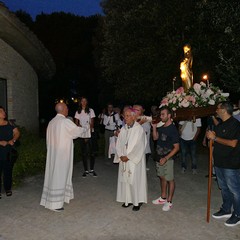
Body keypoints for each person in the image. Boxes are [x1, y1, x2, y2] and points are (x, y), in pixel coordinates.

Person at [40, 102, 88, 212]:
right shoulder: (64, 121)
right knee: (59, 176)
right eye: (66, 108)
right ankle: (55, 204)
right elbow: (77, 131)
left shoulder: (52, 122)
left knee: (56, 175)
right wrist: (85, 127)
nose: (68, 109)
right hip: (62, 154)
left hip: (54, 154)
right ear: (62, 110)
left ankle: (63, 196)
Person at [206, 101, 240, 227]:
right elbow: (217, 142)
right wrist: (211, 138)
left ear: (224, 110)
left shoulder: (235, 124)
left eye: (218, 108)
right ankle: (226, 209)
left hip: (231, 163)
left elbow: (233, 143)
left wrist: (215, 138)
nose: (216, 110)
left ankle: (238, 214)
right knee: (224, 188)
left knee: (235, 190)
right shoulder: (220, 125)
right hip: (219, 163)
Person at [114, 108, 147, 211]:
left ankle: (137, 202)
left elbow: (140, 146)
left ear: (133, 117)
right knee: (125, 180)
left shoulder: (139, 129)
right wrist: (120, 155)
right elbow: (119, 143)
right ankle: (127, 200)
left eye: (127, 116)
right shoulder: (124, 129)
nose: (125, 118)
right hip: (124, 159)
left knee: (135, 180)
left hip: (134, 160)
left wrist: (129, 157)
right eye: (124, 116)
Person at [152, 106, 179, 211]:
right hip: (159, 156)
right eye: (160, 114)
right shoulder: (161, 127)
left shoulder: (173, 129)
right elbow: (155, 138)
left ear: (169, 115)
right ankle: (163, 198)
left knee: (169, 179)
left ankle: (169, 201)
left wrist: (166, 158)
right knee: (162, 177)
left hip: (168, 158)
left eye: (163, 114)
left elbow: (177, 148)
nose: (161, 116)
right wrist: (154, 127)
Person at [0, 106, 20, 198]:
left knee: (8, 170)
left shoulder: (10, 123)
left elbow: (17, 133)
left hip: (8, 151)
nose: (4, 112)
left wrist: (13, 139)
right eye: (1, 111)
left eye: (4, 111)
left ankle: (8, 188)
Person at [74, 97, 97, 177]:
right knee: (84, 153)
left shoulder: (91, 110)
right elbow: (76, 123)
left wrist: (88, 134)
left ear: (87, 102)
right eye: (82, 101)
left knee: (92, 152)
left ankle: (92, 169)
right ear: (80, 102)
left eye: (85, 101)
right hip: (82, 133)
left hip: (90, 133)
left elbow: (92, 123)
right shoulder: (78, 111)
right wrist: (82, 132)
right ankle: (86, 170)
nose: (83, 102)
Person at [133, 105, 151, 170]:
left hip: (142, 149)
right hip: (133, 149)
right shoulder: (132, 119)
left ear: (142, 111)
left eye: (138, 110)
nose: (135, 111)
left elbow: (143, 134)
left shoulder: (145, 120)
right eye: (134, 109)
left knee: (141, 170)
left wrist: (139, 123)